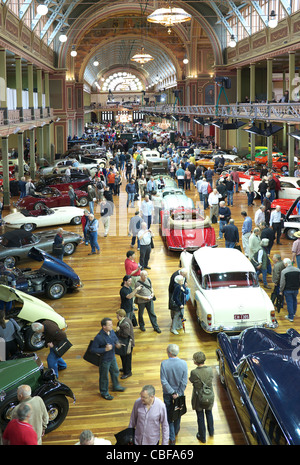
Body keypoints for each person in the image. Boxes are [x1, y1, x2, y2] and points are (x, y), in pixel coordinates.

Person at [90, 317, 125, 400]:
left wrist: (117, 344)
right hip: (104, 360)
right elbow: (93, 349)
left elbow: (115, 339)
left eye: (111, 324)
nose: (112, 326)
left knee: (115, 371)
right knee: (104, 377)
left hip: (112, 357)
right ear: (104, 327)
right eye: (109, 325)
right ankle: (104, 392)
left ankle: (116, 386)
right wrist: (104, 349)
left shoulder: (112, 331)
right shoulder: (99, 337)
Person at [160, 344, 188, 445]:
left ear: (169, 353)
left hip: (168, 393)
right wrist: (178, 393)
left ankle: (171, 438)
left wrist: (172, 392)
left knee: (169, 414)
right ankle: (176, 430)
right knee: (178, 411)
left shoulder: (164, 364)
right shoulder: (184, 363)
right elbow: (184, 381)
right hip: (179, 394)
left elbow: (163, 381)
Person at [189, 351, 214, 444]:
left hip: (199, 397)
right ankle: (211, 432)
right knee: (209, 413)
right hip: (209, 395)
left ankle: (202, 436)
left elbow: (192, 380)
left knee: (200, 416)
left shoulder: (194, 372)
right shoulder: (210, 370)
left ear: (195, 361)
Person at [116, 309, 135, 379]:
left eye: (117, 316)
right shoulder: (125, 320)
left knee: (127, 358)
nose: (116, 317)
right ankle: (124, 369)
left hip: (128, 344)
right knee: (123, 356)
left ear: (121, 316)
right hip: (125, 343)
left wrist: (119, 331)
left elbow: (126, 335)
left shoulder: (124, 324)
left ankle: (128, 372)